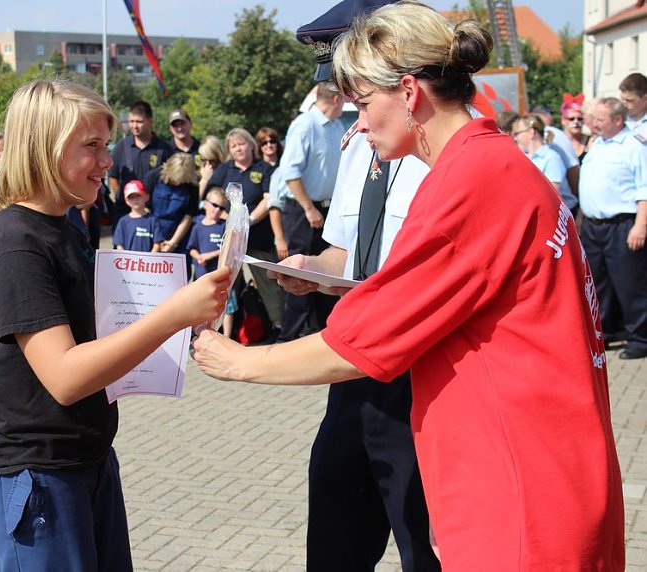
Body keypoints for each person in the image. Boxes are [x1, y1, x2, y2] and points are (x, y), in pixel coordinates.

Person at [192, 3, 625, 569]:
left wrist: (239, 361)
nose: (360, 123)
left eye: (366, 103)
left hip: (522, 493)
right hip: (523, 476)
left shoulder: (472, 182)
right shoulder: (488, 165)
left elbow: (366, 339)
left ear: (410, 92)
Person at [0, 78, 230, 571]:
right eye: (92, 146)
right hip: (38, 475)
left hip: (84, 460)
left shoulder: (64, 226)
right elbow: (65, 377)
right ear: (44, 148)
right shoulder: (16, 246)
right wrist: (171, 315)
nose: (108, 161)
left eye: (106, 145)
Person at [282, 2, 439, 570]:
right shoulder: (357, 148)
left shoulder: (442, 156)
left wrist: (246, 364)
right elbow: (349, 254)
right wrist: (310, 269)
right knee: (335, 540)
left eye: (357, 86)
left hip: (422, 377)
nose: (350, 102)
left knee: (424, 546)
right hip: (355, 368)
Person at [274, 82, 344, 342]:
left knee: (327, 274)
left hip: (327, 209)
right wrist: (309, 208)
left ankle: (329, 335)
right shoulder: (305, 125)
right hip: (304, 211)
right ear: (336, 100)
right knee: (298, 275)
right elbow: (289, 172)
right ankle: (288, 339)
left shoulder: (336, 126)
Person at [579, 96, 647, 360]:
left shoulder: (634, 146)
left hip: (622, 224)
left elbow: (644, 189)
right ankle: (605, 332)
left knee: (630, 283)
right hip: (595, 227)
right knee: (598, 284)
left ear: (617, 120)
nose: (594, 123)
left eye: (600, 119)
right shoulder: (598, 143)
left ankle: (640, 337)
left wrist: (641, 226)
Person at [207, 128, 283, 329]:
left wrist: (247, 220)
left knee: (268, 283)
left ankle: (279, 325)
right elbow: (210, 196)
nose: (238, 148)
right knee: (227, 284)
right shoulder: (224, 170)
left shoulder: (264, 168)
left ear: (251, 144)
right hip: (230, 238)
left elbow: (269, 199)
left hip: (258, 237)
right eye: (233, 146)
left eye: (241, 144)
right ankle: (223, 328)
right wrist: (226, 216)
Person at [107, 100, 174, 225]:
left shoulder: (164, 149)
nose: (134, 126)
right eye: (131, 121)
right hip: (125, 214)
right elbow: (113, 177)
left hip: (154, 216)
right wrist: (124, 198)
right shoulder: (122, 146)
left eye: (139, 121)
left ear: (150, 121)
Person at [188, 187, 237, 337]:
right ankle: (201, 333)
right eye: (215, 205)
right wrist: (198, 257)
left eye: (221, 207)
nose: (217, 210)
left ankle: (226, 336)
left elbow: (229, 247)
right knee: (202, 304)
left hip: (221, 275)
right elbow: (192, 248)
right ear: (205, 204)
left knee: (226, 306)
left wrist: (209, 255)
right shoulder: (197, 227)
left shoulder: (224, 227)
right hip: (202, 274)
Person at [143, 152, 199, 256]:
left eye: (180, 181)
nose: (176, 183)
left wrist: (173, 243)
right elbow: (145, 209)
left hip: (178, 235)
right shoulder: (152, 177)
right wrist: (157, 240)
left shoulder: (192, 186)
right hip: (151, 231)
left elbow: (189, 216)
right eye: (174, 179)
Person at [511, 114, 568, 195]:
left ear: (531, 132)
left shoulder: (552, 158)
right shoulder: (524, 157)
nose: (515, 138)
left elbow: (551, 194)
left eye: (517, 134)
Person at [112, 180, 163, 252]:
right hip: (129, 261)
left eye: (138, 195)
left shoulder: (153, 220)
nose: (135, 199)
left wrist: (150, 259)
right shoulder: (123, 221)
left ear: (146, 197)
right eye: (131, 197)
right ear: (126, 201)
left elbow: (157, 244)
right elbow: (119, 245)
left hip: (148, 261)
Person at [560, 93, 592, 162]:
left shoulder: (591, 141)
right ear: (563, 121)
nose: (576, 122)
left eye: (580, 119)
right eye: (571, 119)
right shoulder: (558, 142)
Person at [196, 135, 227, 200]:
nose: (208, 164)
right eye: (203, 159)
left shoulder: (227, 172)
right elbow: (193, 202)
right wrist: (204, 180)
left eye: (212, 160)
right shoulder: (196, 176)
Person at [619, 72, 647, 139]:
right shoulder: (618, 121)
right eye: (622, 99)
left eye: (629, 100)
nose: (624, 104)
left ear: (645, 99)